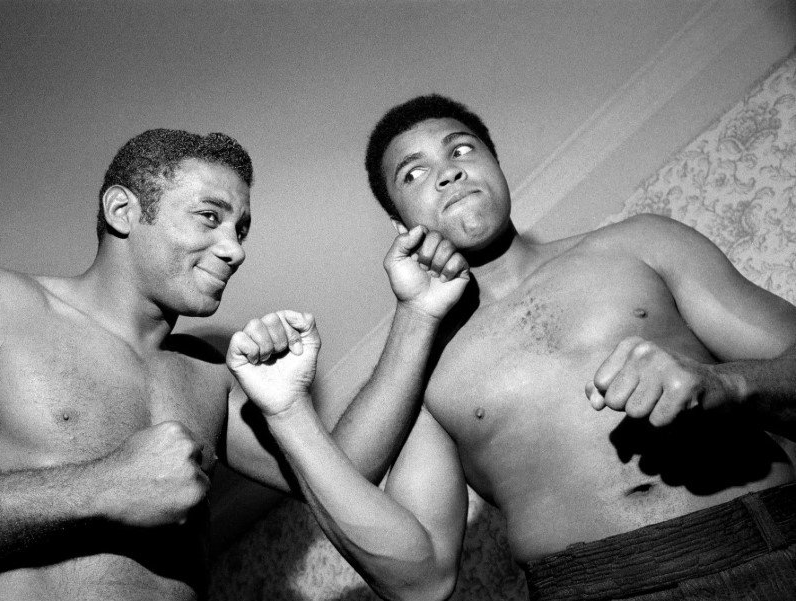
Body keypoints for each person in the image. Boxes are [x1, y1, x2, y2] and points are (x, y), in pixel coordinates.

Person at [226, 95, 796, 601]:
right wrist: (290, 411)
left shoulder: (642, 243)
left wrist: (730, 383)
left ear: (496, 164)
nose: (447, 174)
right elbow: (418, 581)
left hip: (768, 548)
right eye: (414, 173)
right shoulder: (420, 367)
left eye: (461, 150)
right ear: (397, 221)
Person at [0, 127, 470, 600]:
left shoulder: (206, 376)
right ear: (123, 210)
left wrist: (415, 314)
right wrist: (96, 489)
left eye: (241, 229)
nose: (235, 249)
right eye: (209, 218)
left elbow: (346, 474)